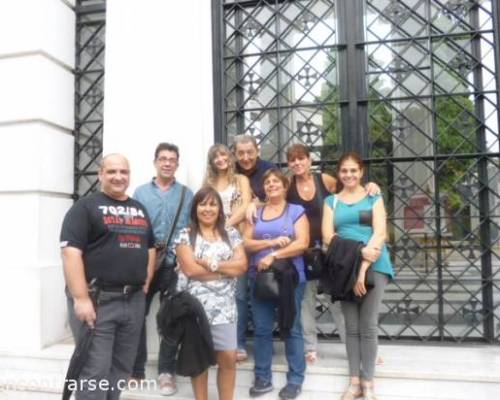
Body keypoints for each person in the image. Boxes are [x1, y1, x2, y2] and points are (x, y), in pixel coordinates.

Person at [60, 154, 155, 400]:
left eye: (123, 172)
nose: (118, 177)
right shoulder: (85, 207)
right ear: (101, 174)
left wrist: (145, 283)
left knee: (121, 368)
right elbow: (70, 252)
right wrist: (80, 298)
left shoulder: (138, 208)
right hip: (98, 300)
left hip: (132, 301)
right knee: (95, 371)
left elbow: (151, 247)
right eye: (112, 171)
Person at [286, 143, 380, 364]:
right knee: (306, 301)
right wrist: (253, 204)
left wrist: (371, 186)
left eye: (301, 158)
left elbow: (351, 191)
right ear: (289, 164)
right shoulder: (286, 184)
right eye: (292, 160)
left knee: (337, 298)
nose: (297, 163)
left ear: (310, 160)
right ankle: (310, 347)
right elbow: (269, 197)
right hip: (303, 252)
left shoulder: (324, 180)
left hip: (331, 249)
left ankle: (353, 346)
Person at [322, 152, 394, 400]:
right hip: (343, 267)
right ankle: (354, 381)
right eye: (344, 171)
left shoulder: (373, 196)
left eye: (354, 170)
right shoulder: (331, 202)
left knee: (369, 326)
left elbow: (381, 232)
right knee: (351, 327)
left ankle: (369, 381)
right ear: (339, 174)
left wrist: (363, 265)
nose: (349, 175)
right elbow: (328, 237)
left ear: (361, 172)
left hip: (375, 264)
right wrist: (357, 252)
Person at [131, 143, 193, 396]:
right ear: (155, 162)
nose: (167, 163)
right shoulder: (140, 192)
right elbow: (134, 227)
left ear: (177, 164)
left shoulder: (186, 194)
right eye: (163, 159)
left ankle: (166, 372)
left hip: (175, 265)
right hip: (147, 263)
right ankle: (136, 369)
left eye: (172, 159)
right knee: (136, 316)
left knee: (171, 320)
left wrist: (186, 257)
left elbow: (192, 227)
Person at [175, 186, 247, 400]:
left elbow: (242, 266)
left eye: (213, 204)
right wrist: (226, 271)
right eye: (203, 204)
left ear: (220, 208)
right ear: (195, 208)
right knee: (199, 362)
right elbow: (190, 269)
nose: (208, 209)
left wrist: (211, 264)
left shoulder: (231, 233)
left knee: (228, 358)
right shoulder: (186, 235)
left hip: (225, 309)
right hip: (195, 309)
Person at [243, 168, 309, 400]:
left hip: (290, 278)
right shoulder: (257, 213)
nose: (272, 185)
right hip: (259, 278)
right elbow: (246, 243)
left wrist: (274, 256)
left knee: (291, 327)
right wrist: (268, 244)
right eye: (268, 182)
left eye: (276, 182)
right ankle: (262, 377)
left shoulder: (296, 211)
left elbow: (302, 243)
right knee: (261, 329)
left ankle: (295, 379)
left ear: (284, 186)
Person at [232, 134, 275, 360]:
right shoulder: (231, 173)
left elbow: (279, 195)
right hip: (237, 244)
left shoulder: (269, 169)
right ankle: (239, 343)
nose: (246, 157)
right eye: (241, 153)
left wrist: (256, 203)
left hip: (265, 242)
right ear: (235, 154)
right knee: (239, 295)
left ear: (257, 151)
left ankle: (266, 343)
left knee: (264, 292)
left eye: (250, 152)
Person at [204, 143, 252, 229]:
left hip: (238, 231)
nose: (220, 159)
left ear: (229, 157)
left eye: (223, 155)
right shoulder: (208, 184)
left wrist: (226, 225)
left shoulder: (241, 180)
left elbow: (246, 206)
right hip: (214, 232)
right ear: (211, 163)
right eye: (215, 157)